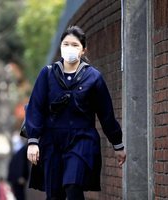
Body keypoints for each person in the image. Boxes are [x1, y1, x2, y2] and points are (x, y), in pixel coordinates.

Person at [26, 25, 126, 200]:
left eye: (75, 45)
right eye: (66, 44)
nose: (69, 49)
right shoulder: (47, 74)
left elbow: (106, 113)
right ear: (60, 47)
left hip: (82, 140)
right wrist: (33, 141)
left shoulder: (94, 77)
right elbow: (36, 107)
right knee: (54, 194)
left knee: (73, 186)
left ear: (83, 50)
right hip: (52, 142)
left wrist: (118, 144)